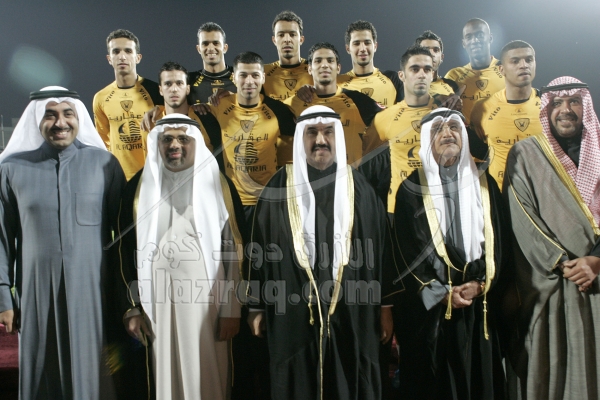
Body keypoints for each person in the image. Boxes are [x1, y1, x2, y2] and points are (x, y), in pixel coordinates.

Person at [247, 105, 397, 400]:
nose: (320, 140)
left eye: (328, 132)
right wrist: (256, 306)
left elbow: (382, 253)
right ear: (300, 139)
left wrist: (385, 308)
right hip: (293, 312)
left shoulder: (361, 189)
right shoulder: (278, 186)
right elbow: (258, 250)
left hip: (353, 311)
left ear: (338, 137)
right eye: (311, 133)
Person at [0, 86, 125, 399]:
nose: (60, 122)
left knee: (93, 375)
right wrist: (3, 298)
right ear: (36, 120)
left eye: (68, 114)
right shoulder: (11, 169)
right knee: (41, 373)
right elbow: (2, 239)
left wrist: (126, 299)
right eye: (50, 115)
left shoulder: (105, 165)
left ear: (79, 118)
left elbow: (125, 236)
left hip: (94, 294)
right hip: (35, 294)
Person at [117, 113, 244, 399]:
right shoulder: (137, 190)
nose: (175, 145)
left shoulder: (219, 185)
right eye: (167, 139)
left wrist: (231, 309)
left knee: (207, 375)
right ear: (157, 143)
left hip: (208, 305)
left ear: (196, 142)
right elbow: (123, 254)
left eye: (183, 139)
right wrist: (132, 308)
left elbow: (234, 252)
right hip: (155, 306)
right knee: (164, 374)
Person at [393, 107, 507, 399]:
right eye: (438, 129)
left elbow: (501, 243)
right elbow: (406, 252)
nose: (447, 134)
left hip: (479, 304)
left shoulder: (485, 183)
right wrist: (441, 293)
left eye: (454, 127)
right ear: (426, 139)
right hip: (433, 314)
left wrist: (482, 284)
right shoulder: (411, 189)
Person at [505, 76, 600, 399]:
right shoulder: (525, 154)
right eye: (557, 103)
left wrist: (596, 260)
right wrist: (561, 262)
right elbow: (521, 216)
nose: (565, 109)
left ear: (586, 106)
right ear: (546, 109)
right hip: (555, 280)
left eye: (574, 101)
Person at [363, 45, 438, 213]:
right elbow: (367, 164)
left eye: (427, 69)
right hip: (398, 210)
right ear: (402, 75)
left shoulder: (446, 115)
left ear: (432, 75)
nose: (421, 74)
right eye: (415, 69)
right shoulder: (384, 119)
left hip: (439, 208)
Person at [284, 42, 383, 166]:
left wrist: (367, 164)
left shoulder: (359, 100)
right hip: (310, 177)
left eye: (330, 61)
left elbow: (391, 124)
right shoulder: (292, 104)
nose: (324, 65)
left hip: (349, 177)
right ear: (309, 69)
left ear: (338, 68)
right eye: (318, 61)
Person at [93, 29, 162, 180]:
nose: (122, 56)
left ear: (138, 57)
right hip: (120, 179)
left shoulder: (157, 91)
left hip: (153, 176)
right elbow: (103, 141)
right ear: (109, 58)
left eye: (128, 51)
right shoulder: (100, 98)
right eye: (116, 51)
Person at [470, 40, 540, 189]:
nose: (524, 65)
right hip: (501, 195)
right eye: (515, 61)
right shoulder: (482, 108)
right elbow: (479, 151)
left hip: (541, 192)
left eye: (529, 60)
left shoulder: (547, 105)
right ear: (501, 69)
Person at [445, 19, 505, 123]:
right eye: (469, 37)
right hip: (469, 133)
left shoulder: (506, 70)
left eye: (480, 35)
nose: (475, 40)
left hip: (501, 131)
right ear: (464, 43)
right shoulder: (454, 76)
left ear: (490, 38)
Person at [338, 20, 403, 106]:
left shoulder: (394, 79)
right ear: (348, 49)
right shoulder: (338, 84)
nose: (362, 49)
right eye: (356, 43)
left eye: (367, 43)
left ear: (375, 46)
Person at [263, 11, 313, 101]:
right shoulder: (262, 73)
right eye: (281, 35)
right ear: (274, 40)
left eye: (292, 34)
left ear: (301, 40)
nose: (287, 39)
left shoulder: (315, 70)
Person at [189, 22, 236, 104]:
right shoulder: (188, 81)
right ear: (198, 49)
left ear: (225, 48)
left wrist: (236, 98)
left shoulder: (242, 77)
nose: (210, 48)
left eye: (216, 43)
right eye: (205, 44)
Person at [415, 30, 459, 97]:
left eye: (436, 50)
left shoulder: (452, 85)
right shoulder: (403, 84)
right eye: (425, 50)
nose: (432, 54)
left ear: (442, 57)